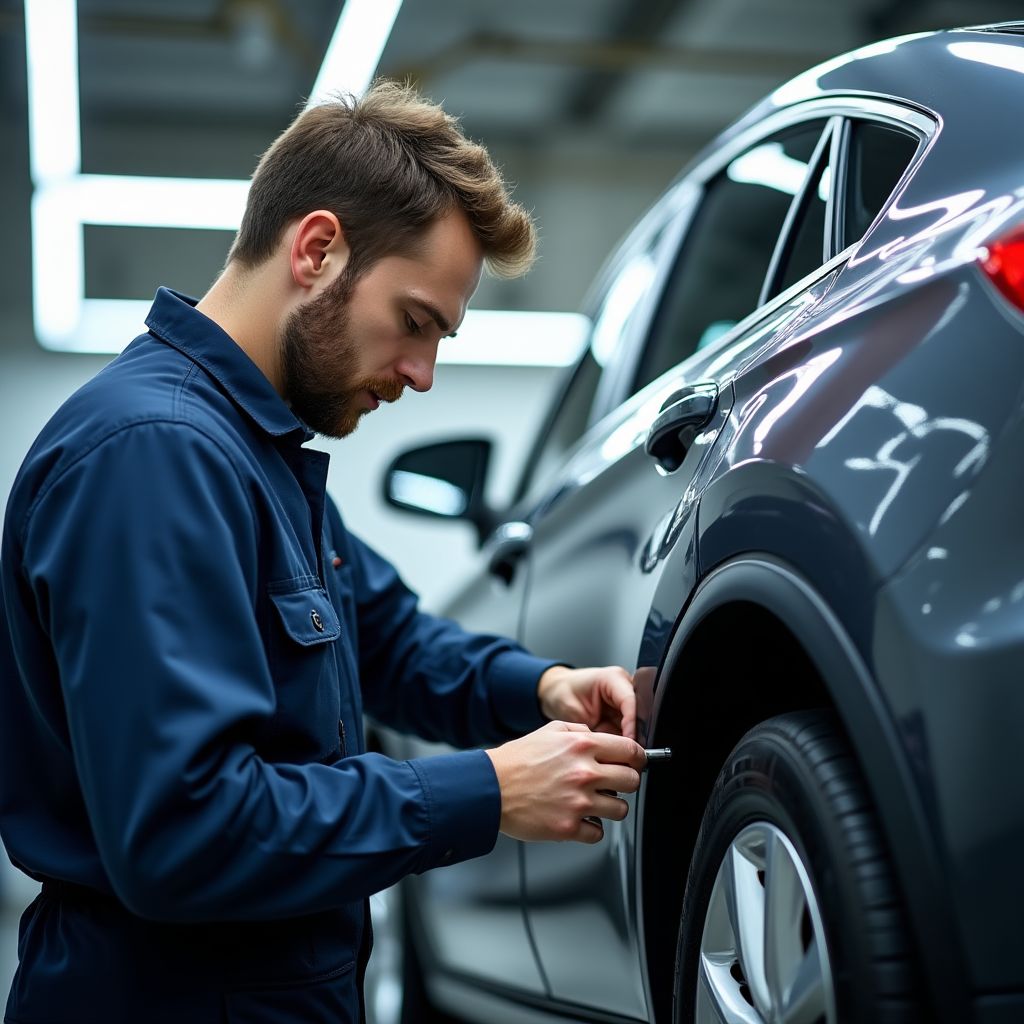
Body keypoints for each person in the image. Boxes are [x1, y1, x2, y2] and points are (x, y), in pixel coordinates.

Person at [0, 82, 646, 1023]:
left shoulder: (252, 458)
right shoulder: (156, 457)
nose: (422, 375)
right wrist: (486, 792)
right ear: (317, 249)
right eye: (416, 322)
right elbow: (186, 833)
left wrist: (539, 687)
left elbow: (385, 643)